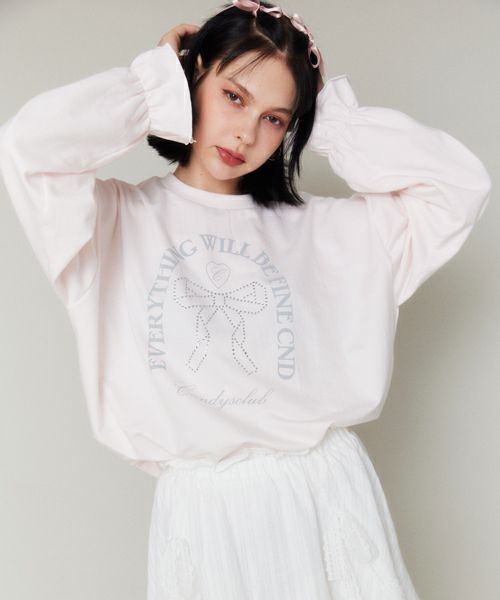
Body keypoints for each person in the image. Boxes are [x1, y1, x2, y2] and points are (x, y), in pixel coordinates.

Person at [0, 1, 491, 598]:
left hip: (326, 494)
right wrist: (153, 87)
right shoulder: (112, 222)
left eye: (274, 118)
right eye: (234, 96)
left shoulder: (331, 232)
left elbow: (459, 187)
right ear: (194, 76)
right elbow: (30, 146)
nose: (246, 133)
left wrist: (328, 120)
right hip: (203, 513)